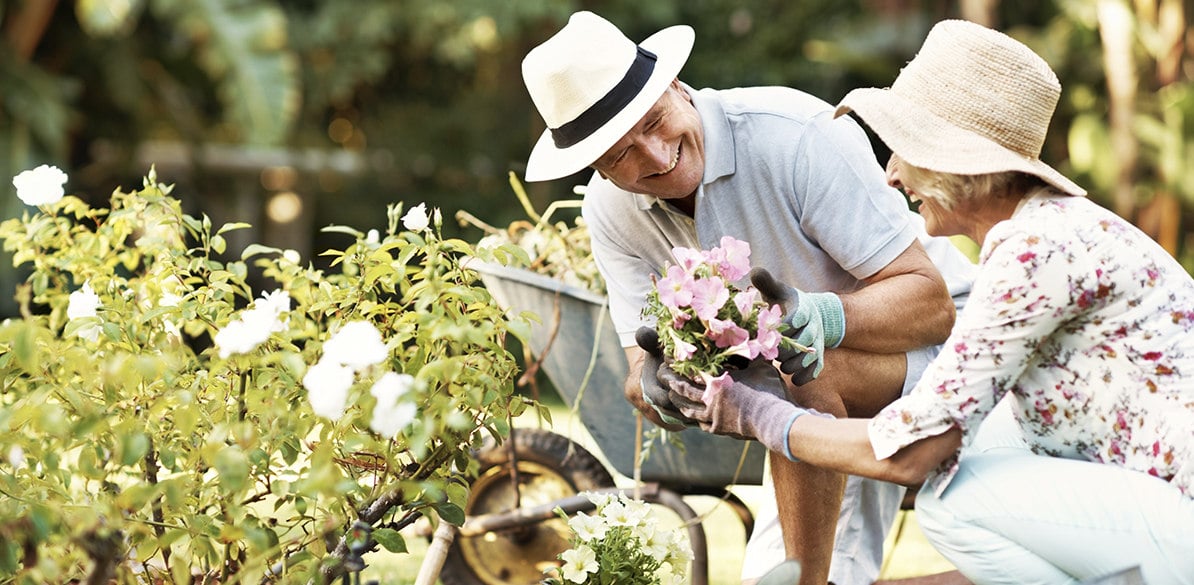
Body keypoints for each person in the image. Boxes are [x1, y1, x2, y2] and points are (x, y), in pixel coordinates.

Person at [667, 19, 1194, 585]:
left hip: (1176, 519)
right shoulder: (1039, 236)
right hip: (1158, 511)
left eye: (905, 148)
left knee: (950, 497)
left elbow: (913, 451)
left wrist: (758, 415)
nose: (892, 176)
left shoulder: (1036, 253)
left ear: (957, 160)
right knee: (983, 453)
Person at [519, 11, 977, 585]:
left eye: (656, 121)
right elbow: (640, 369)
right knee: (772, 571)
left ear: (677, 88)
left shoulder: (794, 136)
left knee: (802, 371)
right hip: (807, 404)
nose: (656, 157)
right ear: (596, 170)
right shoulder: (610, 213)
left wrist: (823, 316)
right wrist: (659, 387)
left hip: (955, 361)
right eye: (620, 155)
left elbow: (933, 305)